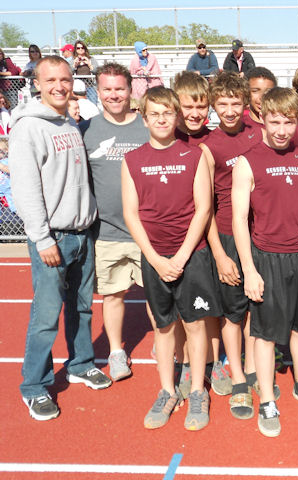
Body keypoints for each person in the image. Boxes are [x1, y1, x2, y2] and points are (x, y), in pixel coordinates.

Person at [10, 56, 112, 421]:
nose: (59, 85)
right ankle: (34, 385)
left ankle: (81, 362)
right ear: (36, 83)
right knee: (46, 315)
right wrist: (42, 238)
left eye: (65, 79)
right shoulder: (29, 128)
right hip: (53, 237)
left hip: (83, 233)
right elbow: (26, 190)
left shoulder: (68, 121)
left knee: (82, 307)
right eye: (50, 79)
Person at [122, 86, 222, 431]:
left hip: (190, 255)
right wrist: (155, 258)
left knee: (195, 324)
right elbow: (131, 215)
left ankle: (196, 390)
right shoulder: (132, 160)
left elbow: (203, 208)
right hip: (155, 258)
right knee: (163, 327)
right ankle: (167, 390)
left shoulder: (194, 156)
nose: (162, 119)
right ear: (144, 117)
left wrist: (180, 256)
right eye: (155, 113)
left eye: (168, 113)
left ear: (177, 116)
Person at [232, 87, 298, 437]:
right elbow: (239, 220)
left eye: (289, 122)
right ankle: (267, 400)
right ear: (263, 119)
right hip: (266, 257)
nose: (282, 129)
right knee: (265, 334)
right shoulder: (248, 161)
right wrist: (249, 269)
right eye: (275, 121)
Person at [79, 62, 150, 383]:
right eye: (106, 89)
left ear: (130, 88)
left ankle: (168, 345)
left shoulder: (148, 127)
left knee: (159, 295)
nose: (113, 95)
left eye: (119, 88)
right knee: (113, 295)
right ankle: (117, 351)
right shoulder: (87, 130)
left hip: (148, 233)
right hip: (107, 232)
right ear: (97, 90)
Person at [200, 71, 263, 419]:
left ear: (245, 103)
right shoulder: (209, 147)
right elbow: (205, 206)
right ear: (214, 105)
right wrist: (221, 254)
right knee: (232, 312)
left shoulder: (260, 134)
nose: (229, 109)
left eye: (235, 102)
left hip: (259, 236)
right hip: (226, 235)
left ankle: (253, 369)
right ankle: (237, 376)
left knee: (256, 306)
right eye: (221, 103)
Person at [172, 70, 233, 398]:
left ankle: (212, 361)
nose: (195, 114)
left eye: (201, 107)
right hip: (173, 241)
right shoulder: (166, 138)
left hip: (207, 238)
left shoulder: (210, 141)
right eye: (187, 107)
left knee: (209, 306)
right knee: (180, 311)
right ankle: (185, 364)